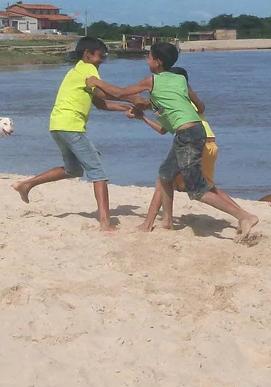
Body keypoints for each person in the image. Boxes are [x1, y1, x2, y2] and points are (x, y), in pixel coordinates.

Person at [103, 43, 259, 240]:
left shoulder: (152, 80)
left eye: (149, 57)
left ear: (157, 62)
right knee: (165, 174)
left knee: (198, 191)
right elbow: (200, 106)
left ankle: (244, 216)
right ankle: (166, 221)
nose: (147, 60)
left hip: (187, 136)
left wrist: (95, 82)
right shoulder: (179, 79)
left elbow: (119, 93)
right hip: (193, 132)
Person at [13, 37, 132, 232]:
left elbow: (101, 103)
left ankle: (27, 185)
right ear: (88, 54)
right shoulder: (88, 69)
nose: (102, 60)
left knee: (73, 170)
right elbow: (112, 93)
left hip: (57, 125)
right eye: (100, 56)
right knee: (98, 172)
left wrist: (126, 108)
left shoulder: (75, 71)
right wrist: (136, 99)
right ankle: (105, 223)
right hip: (71, 126)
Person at [129, 66, 231, 231]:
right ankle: (242, 215)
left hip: (197, 143)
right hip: (210, 142)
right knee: (207, 187)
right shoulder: (184, 99)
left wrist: (143, 106)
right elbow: (164, 129)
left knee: (164, 180)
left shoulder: (177, 99)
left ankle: (151, 223)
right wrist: (143, 117)